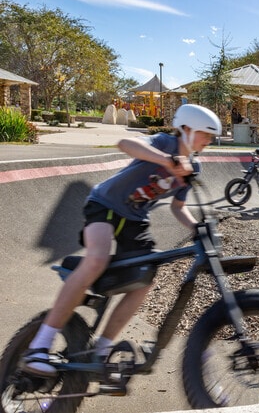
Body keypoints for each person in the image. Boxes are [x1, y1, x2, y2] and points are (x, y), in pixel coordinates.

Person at [21, 104, 222, 378]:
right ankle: (39, 346)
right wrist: (167, 161)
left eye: (211, 137)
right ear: (186, 129)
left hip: (136, 219)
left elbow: (177, 207)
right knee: (97, 258)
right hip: (105, 205)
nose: (208, 141)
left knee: (145, 278)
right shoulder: (164, 142)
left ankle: (102, 350)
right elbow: (124, 142)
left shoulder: (192, 167)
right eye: (205, 134)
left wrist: (199, 228)